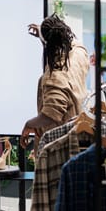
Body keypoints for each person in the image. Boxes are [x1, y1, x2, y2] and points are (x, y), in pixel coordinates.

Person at [19, 14, 90, 153]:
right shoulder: (79, 53)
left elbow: (50, 115)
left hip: (60, 145)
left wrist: (28, 124)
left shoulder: (56, 77)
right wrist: (43, 38)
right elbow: (69, 45)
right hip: (79, 135)